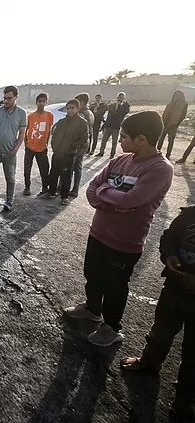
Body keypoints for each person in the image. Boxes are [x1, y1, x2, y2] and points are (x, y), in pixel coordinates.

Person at [64, 110, 173, 346]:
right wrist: (109, 198)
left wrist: (107, 197)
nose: (120, 140)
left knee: (115, 287)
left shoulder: (160, 169)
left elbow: (130, 200)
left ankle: (111, 328)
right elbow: (92, 189)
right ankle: (93, 309)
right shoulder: (119, 161)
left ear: (141, 140)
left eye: (124, 136)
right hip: (98, 233)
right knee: (92, 275)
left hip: (125, 243)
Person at [119, 204, 195, 421]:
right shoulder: (189, 214)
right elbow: (169, 237)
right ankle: (149, 362)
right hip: (174, 287)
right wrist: (169, 255)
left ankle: (185, 397)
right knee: (160, 331)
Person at [40, 99, 88, 205]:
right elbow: (55, 136)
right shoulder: (62, 122)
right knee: (53, 173)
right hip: (57, 153)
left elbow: (83, 139)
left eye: (72, 108)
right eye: (68, 108)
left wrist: (72, 149)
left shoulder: (82, 123)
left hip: (69, 154)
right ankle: (51, 192)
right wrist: (55, 148)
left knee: (66, 175)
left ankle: (64, 196)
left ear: (77, 108)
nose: (70, 110)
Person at [23, 92, 55, 196]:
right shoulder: (31, 116)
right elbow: (25, 130)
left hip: (42, 148)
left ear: (46, 102)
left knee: (44, 169)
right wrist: (26, 143)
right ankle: (27, 187)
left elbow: (49, 130)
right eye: (39, 101)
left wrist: (46, 143)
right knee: (27, 168)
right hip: (30, 147)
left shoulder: (49, 116)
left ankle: (45, 187)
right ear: (36, 102)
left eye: (43, 101)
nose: (41, 103)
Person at [71, 93, 94, 197]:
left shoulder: (83, 114)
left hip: (79, 144)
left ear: (82, 102)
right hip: (84, 143)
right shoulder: (89, 112)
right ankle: (74, 188)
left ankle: (71, 188)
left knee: (72, 166)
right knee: (78, 166)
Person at [96, 92, 130, 158]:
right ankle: (101, 152)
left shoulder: (126, 106)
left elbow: (123, 113)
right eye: (118, 97)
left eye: (121, 98)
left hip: (116, 126)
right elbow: (106, 111)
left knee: (114, 142)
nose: (119, 99)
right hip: (108, 125)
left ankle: (112, 154)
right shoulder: (112, 105)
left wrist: (120, 105)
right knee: (104, 140)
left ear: (124, 98)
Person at [157, 90, 188, 159]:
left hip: (173, 125)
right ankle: (158, 152)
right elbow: (165, 113)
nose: (175, 97)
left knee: (170, 141)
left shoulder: (184, 105)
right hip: (165, 123)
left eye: (177, 95)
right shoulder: (170, 103)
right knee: (161, 139)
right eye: (175, 95)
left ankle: (168, 155)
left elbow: (182, 116)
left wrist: (176, 124)